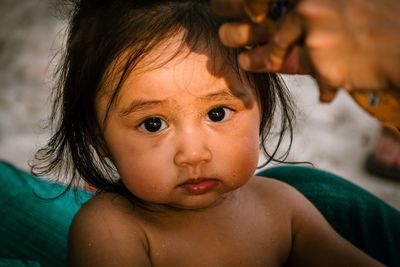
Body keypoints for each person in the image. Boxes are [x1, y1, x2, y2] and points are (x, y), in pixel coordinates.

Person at [30, 1, 385, 266]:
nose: (194, 153)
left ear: (260, 103)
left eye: (217, 113)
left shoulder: (283, 207)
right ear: (97, 136)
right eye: (153, 124)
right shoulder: (110, 231)